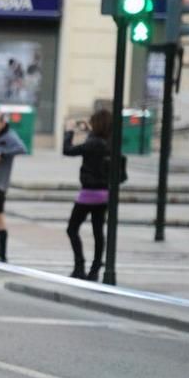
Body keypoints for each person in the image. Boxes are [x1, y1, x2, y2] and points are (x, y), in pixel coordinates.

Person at [63, 109, 111, 281]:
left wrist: (69, 131)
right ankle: (95, 269)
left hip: (89, 193)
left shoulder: (93, 143)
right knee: (98, 232)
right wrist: (88, 130)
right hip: (105, 193)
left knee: (72, 228)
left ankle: (79, 266)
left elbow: (67, 150)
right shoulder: (109, 142)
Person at [0, 111, 27, 263]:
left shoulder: (10, 137)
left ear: (1, 122)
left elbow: (22, 148)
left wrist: (1, 154)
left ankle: (2, 254)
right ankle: (0, 253)